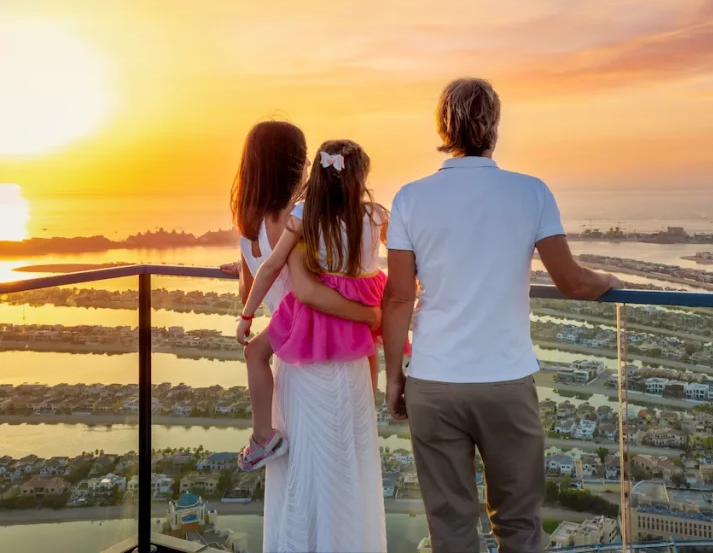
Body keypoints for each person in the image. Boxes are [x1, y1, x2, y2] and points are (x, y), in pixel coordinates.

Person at [382, 78, 621, 552]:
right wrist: (611, 282)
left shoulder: (410, 197)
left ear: (442, 127)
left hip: (434, 380)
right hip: (506, 381)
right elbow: (572, 282)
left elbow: (397, 298)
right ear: (493, 126)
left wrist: (395, 377)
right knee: (518, 525)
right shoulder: (530, 193)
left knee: (450, 529)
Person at [230, 122, 386, 552]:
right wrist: (371, 313)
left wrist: (244, 300)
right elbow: (309, 292)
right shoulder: (305, 217)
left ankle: (263, 441)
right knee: (340, 478)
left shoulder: (247, 227)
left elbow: (252, 291)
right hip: (330, 354)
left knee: (298, 481)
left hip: (289, 363)